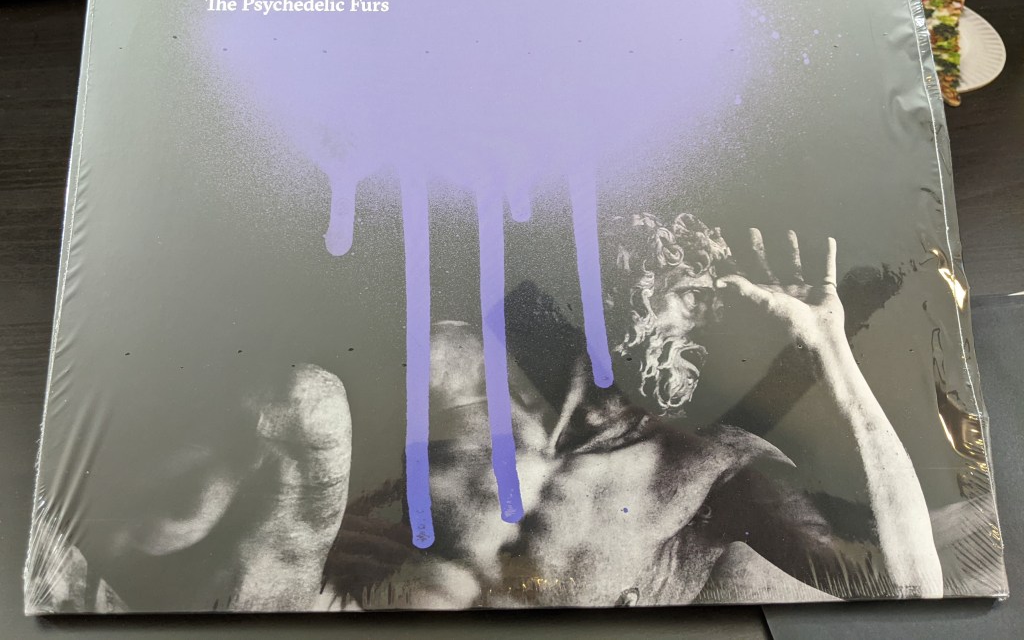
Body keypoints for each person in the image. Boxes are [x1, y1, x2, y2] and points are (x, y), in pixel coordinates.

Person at [27, 212, 943, 611]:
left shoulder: (714, 473)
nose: (697, 311)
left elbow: (909, 587)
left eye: (714, 299)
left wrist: (826, 348)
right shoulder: (487, 344)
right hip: (318, 605)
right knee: (299, 399)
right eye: (682, 285)